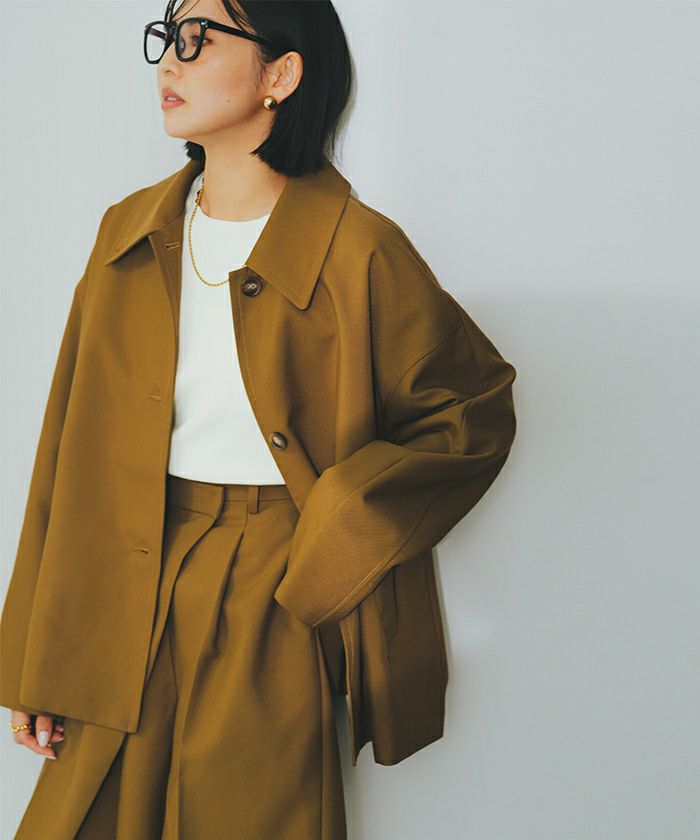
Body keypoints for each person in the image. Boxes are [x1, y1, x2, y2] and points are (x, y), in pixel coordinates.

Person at [0, 0, 518, 837]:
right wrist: (34, 654)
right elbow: (65, 450)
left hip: (274, 585)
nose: (170, 61)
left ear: (282, 73)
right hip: (117, 586)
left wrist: (343, 525)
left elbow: (471, 411)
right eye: (167, 37)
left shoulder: (359, 249)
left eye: (199, 39)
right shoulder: (128, 232)